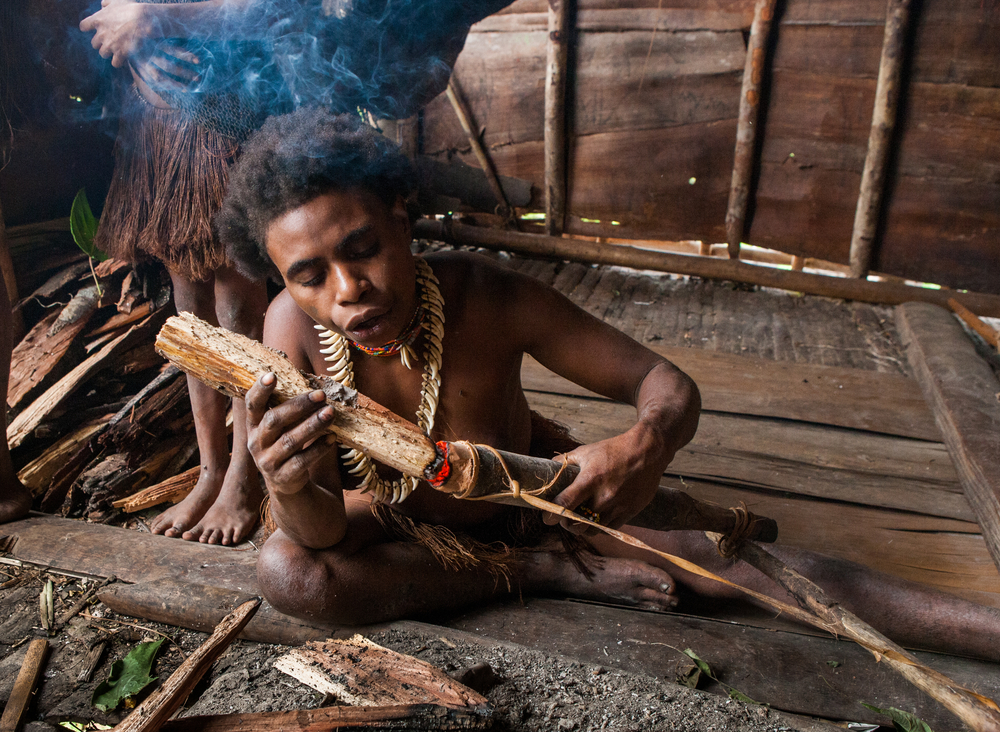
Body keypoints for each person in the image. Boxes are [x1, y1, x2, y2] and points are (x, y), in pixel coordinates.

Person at [218, 108, 999, 662]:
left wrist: (645, 445)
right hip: (403, 532)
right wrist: (286, 487)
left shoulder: (491, 298)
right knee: (286, 569)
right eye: (310, 275)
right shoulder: (290, 331)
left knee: (758, 570)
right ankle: (541, 579)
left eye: (362, 249)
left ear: (401, 212)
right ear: (283, 278)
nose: (348, 290)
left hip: (537, 507)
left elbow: (666, 382)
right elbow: (318, 534)